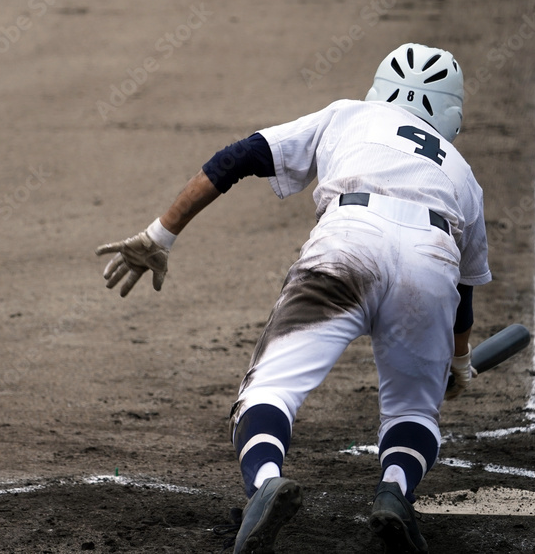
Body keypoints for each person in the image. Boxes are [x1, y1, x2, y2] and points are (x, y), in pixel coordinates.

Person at [95, 43, 491, 554]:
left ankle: (266, 484)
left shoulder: (348, 115)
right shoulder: (463, 175)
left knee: (270, 389)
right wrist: (457, 361)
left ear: (381, 89)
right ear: (452, 113)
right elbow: (463, 293)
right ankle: (394, 492)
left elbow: (239, 157)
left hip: (349, 243)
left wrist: (160, 234)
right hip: (431, 263)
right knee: (413, 411)